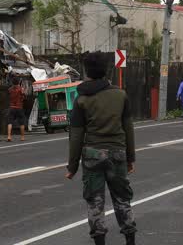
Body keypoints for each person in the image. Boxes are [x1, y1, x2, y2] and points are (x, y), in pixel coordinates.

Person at [66, 52, 137, 245]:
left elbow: (76, 135)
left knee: (95, 202)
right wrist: (131, 159)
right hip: (117, 154)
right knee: (122, 199)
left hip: (92, 155)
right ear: (106, 70)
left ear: (87, 71)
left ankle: (99, 242)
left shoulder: (81, 99)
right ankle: (130, 239)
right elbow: (128, 129)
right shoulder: (120, 95)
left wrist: (72, 166)